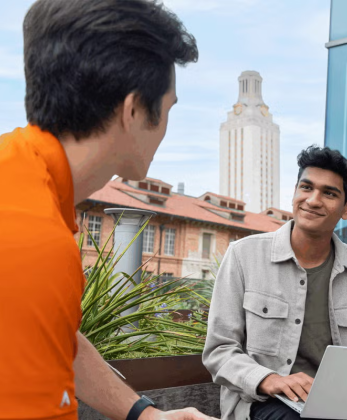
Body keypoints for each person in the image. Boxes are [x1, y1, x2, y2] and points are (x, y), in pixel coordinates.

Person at [0, 1, 216, 419]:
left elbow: (54, 336)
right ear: (134, 111)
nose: (167, 127)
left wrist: (146, 415)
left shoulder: (19, 172)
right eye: (169, 109)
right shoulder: (33, 241)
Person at [203, 146, 347, 420]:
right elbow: (219, 350)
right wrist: (268, 379)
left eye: (329, 193)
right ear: (295, 193)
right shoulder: (244, 255)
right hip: (264, 402)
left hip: (340, 404)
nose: (313, 200)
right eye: (306, 187)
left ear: (346, 207)